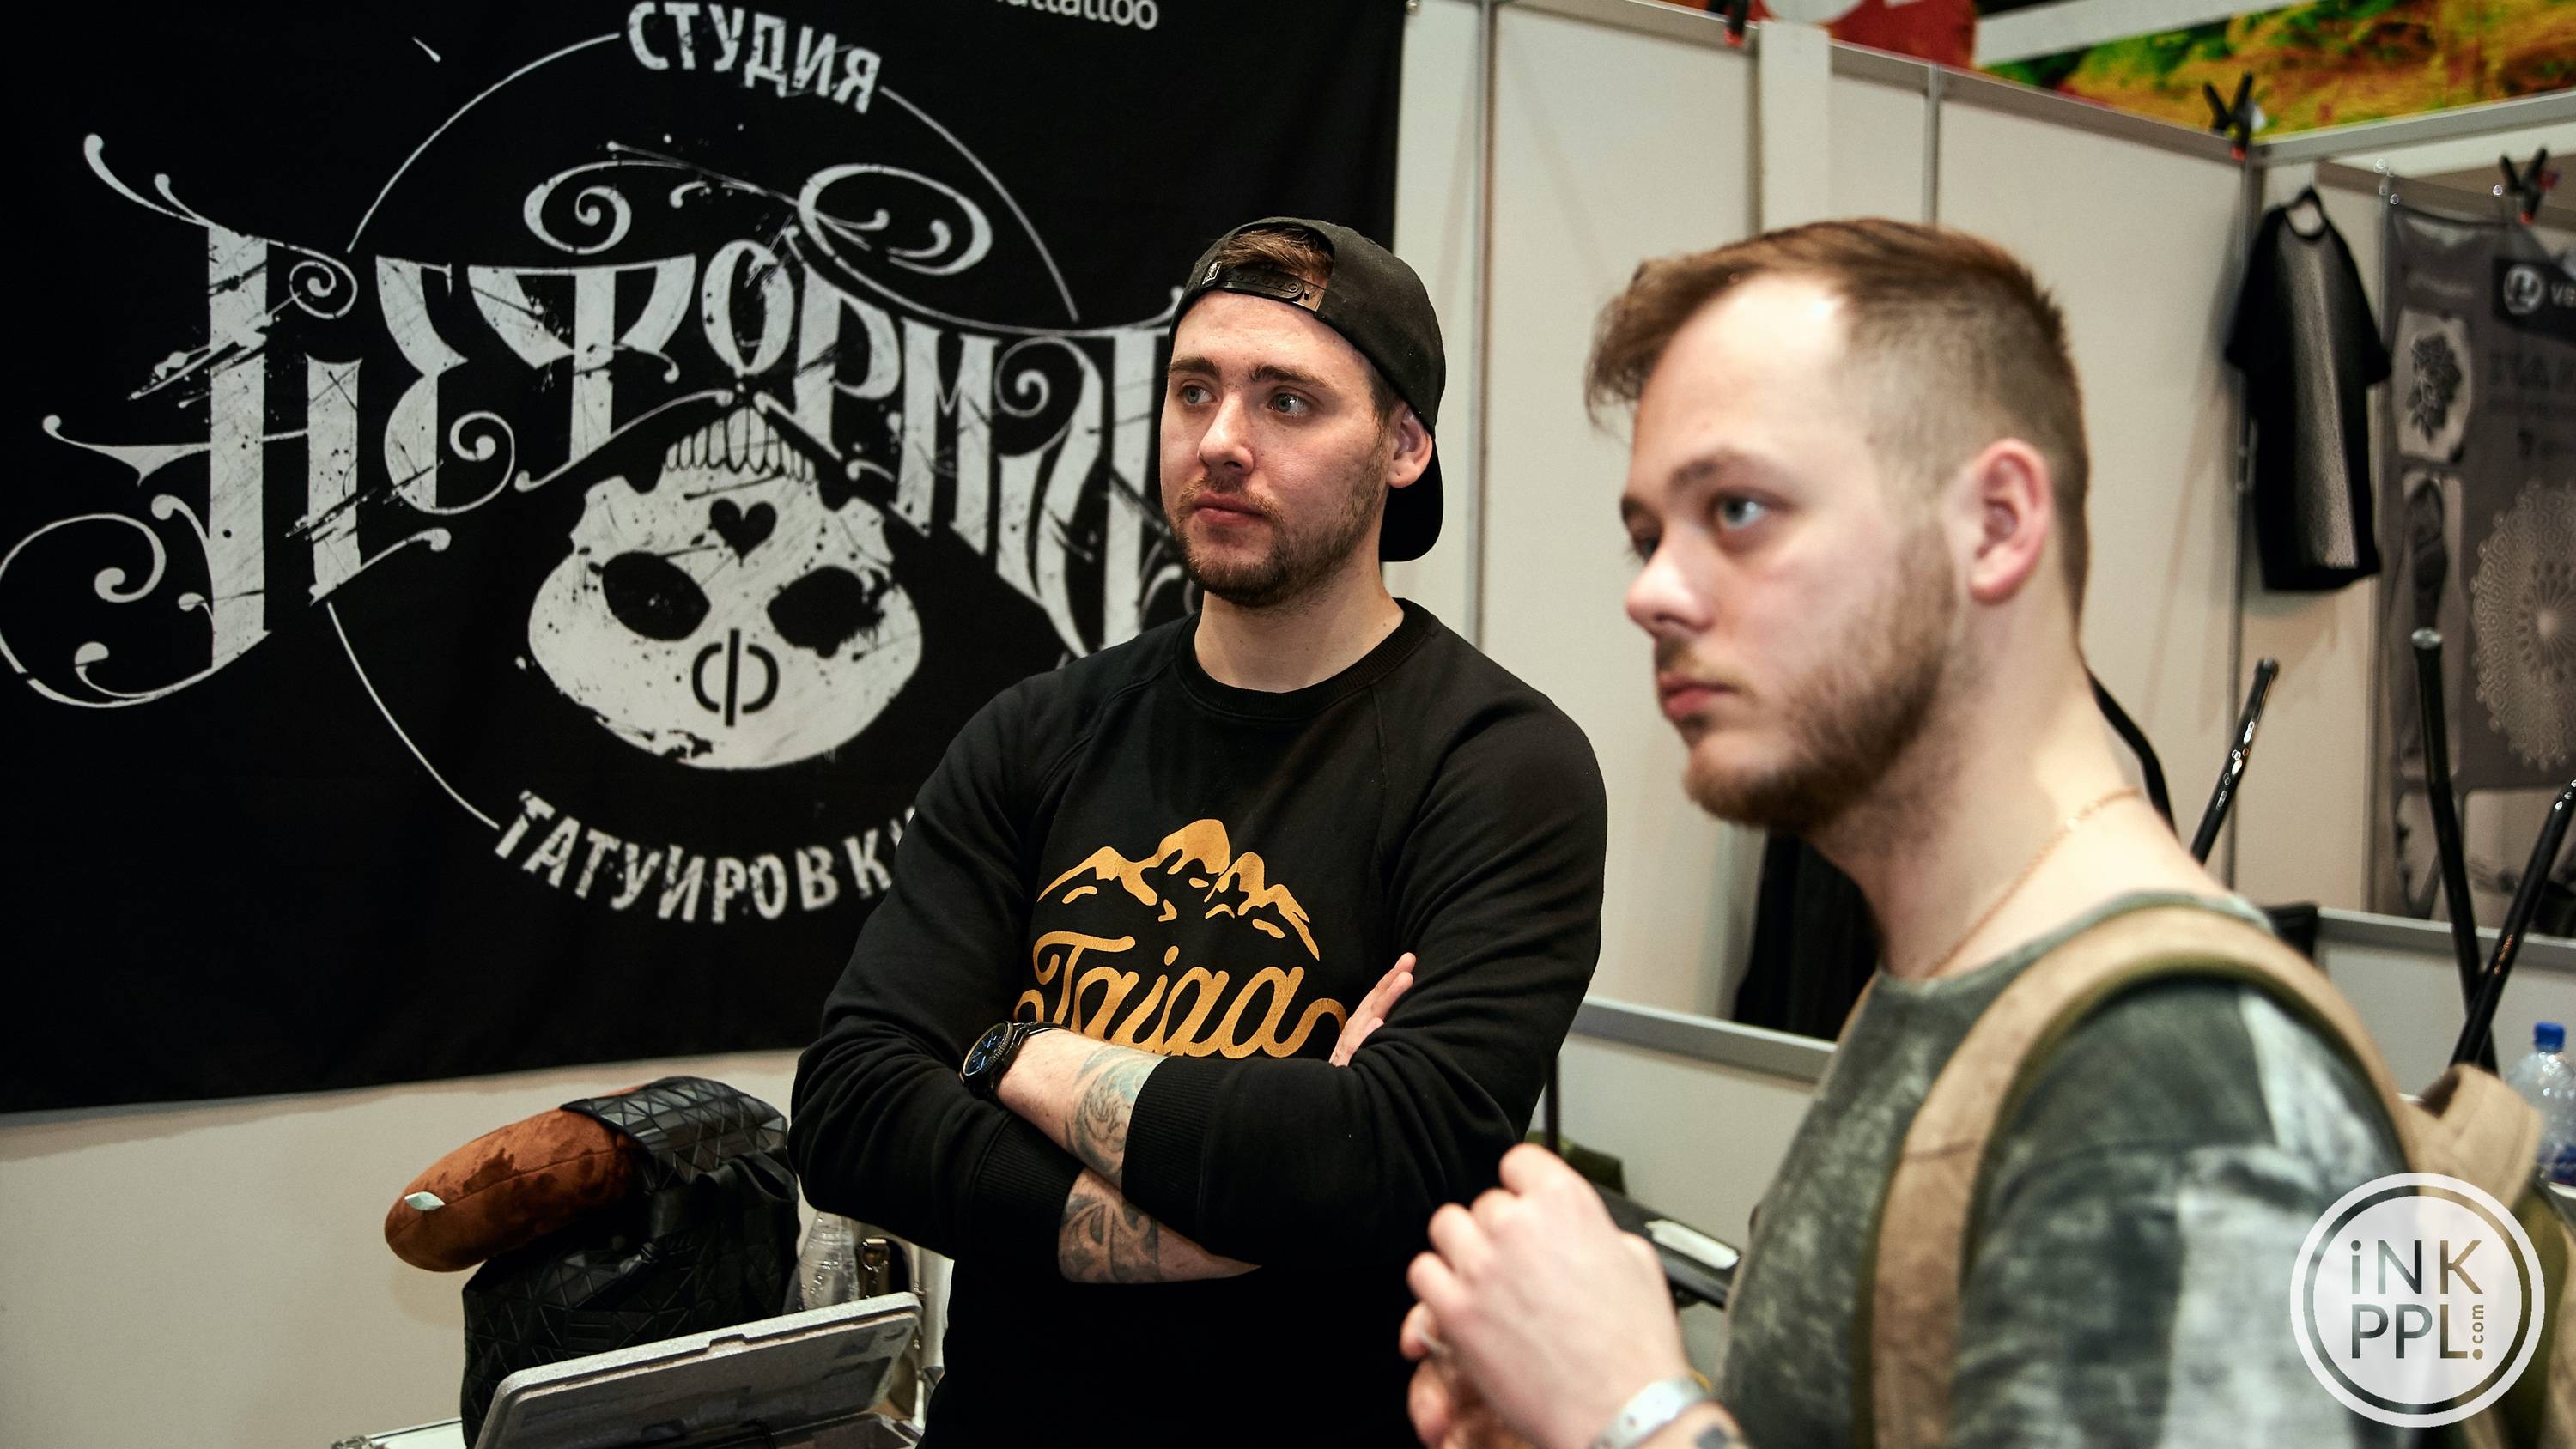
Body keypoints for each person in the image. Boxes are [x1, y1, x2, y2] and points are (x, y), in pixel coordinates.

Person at [1398, 220, 2407, 1449]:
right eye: (1650, 534)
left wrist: (1635, 1414)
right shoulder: (1954, 988)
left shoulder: (2166, 1074)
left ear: (1996, 524)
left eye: (1739, 508)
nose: (1652, 591)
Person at [789, 217, 1608, 1446]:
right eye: (1193, 391)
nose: (1222, 439)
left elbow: (1384, 1159)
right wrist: (1231, 1206)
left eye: (1288, 401)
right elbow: (850, 1110)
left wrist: (1006, 1052)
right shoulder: (1035, 733)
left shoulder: (1500, 765)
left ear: (1403, 444)